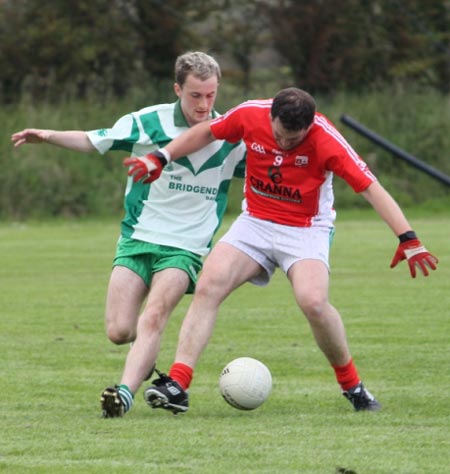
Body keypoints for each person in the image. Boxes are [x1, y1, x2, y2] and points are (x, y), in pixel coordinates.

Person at [124, 87, 438, 414]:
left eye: (295, 139)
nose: (286, 144)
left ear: (310, 125)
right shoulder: (250, 114)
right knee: (208, 285)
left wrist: (408, 238)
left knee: (313, 302)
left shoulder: (326, 139)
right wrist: (161, 156)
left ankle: (353, 386)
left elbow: (371, 189)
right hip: (255, 222)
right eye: (280, 136)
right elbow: (205, 131)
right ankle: (178, 383)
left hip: (305, 229)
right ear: (271, 117)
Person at [11, 51, 246, 418]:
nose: (204, 105)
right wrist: (47, 135)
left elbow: (268, 170)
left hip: (184, 248)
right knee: (120, 331)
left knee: (154, 316)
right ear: (177, 89)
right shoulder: (147, 122)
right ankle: (144, 356)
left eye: (211, 95)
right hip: (137, 239)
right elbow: (94, 140)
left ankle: (123, 394)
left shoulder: (231, 135)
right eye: (195, 96)